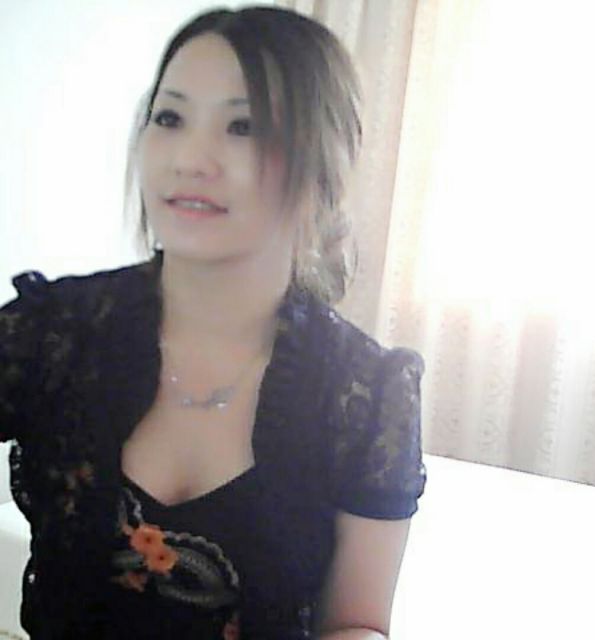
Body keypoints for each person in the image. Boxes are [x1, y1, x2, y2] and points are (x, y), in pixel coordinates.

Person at [0, 6, 426, 639]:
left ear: (322, 164)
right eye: (170, 118)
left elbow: (356, 623)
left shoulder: (366, 394)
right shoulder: (54, 332)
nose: (191, 159)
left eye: (243, 126)